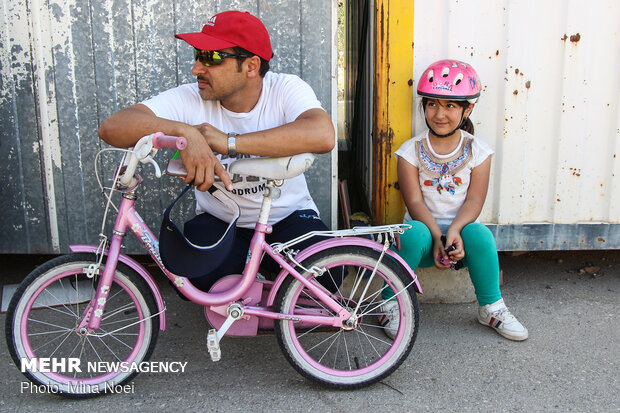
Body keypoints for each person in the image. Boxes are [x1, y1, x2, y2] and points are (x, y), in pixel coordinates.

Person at [98, 10, 336, 292]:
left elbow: (323, 134)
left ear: (251, 66)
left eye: (211, 57)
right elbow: (112, 128)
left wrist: (228, 142)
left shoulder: (285, 89)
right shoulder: (190, 97)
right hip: (222, 221)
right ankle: (257, 278)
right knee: (193, 275)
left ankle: (263, 279)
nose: (197, 68)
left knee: (330, 273)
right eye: (197, 55)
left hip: (288, 217)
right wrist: (187, 133)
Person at [380, 59, 528, 341]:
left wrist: (455, 232)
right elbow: (414, 202)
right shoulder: (410, 151)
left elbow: (474, 201)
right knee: (412, 233)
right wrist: (437, 237)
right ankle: (390, 302)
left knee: (480, 234)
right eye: (432, 103)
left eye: (450, 105)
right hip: (424, 242)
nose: (439, 113)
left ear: (467, 108)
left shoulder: (478, 152)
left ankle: (491, 308)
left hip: (460, 241)